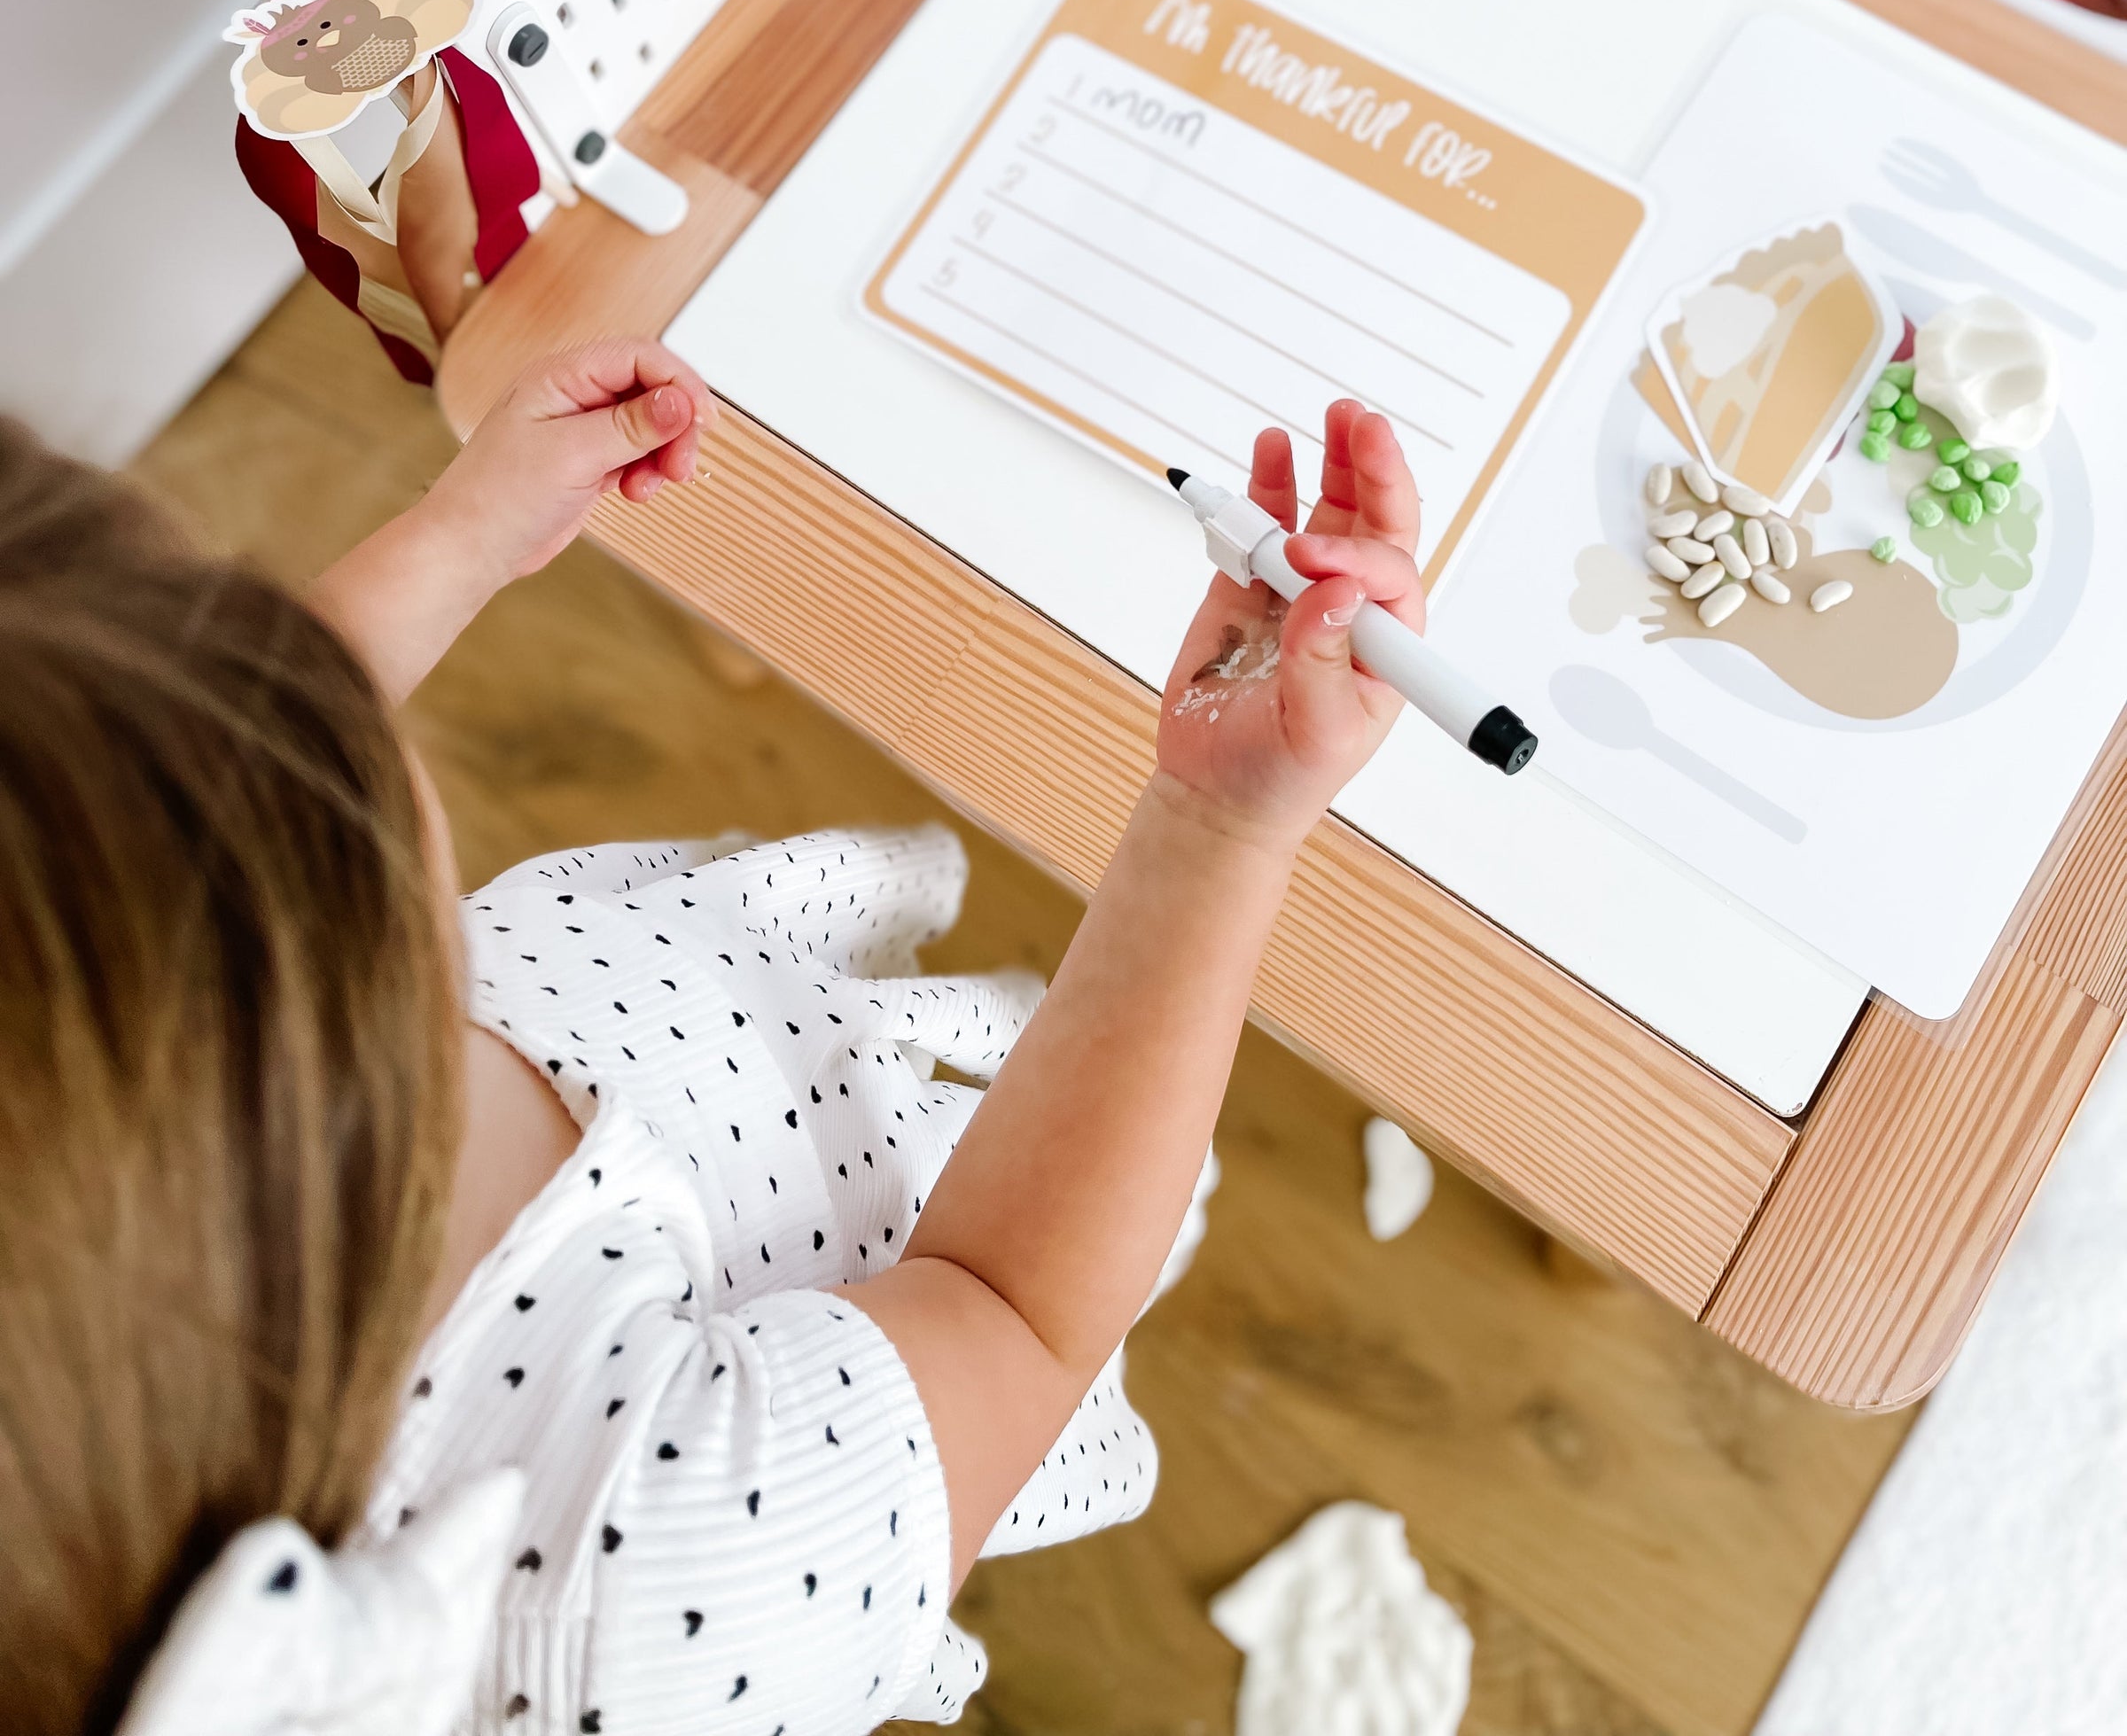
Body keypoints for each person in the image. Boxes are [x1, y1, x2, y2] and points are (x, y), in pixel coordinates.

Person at [0, 340, 1427, 1736]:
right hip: (961, 1256)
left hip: (712, 1030)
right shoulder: (653, 1578)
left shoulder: (153, 1122)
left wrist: (464, 534)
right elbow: (1017, 1306)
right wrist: (1217, 823)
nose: (304, 712)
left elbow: (223, 795)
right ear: (292, 989)